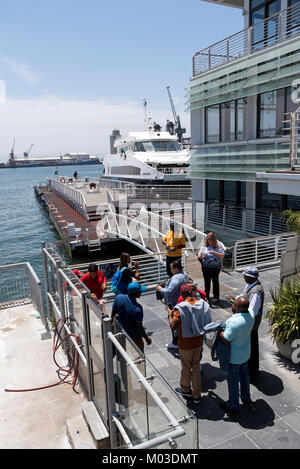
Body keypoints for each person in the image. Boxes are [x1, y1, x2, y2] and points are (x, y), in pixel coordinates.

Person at [168, 284, 211, 405]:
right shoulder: (202, 304)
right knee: (196, 368)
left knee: (186, 368)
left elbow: (173, 325)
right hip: (198, 342)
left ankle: (186, 390)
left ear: (182, 295)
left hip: (186, 343)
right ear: (192, 293)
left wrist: (170, 314)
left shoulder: (179, 308)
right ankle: (197, 396)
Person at [226, 266, 264, 383]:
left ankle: (252, 375)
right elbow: (243, 298)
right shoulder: (250, 285)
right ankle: (248, 371)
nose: (243, 277)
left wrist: (234, 307)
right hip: (248, 324)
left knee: (252, 350)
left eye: (245, 276)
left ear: (250, 277)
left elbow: (251, 311)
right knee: (249, 348)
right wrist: (235, 300)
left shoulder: (256, 292)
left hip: (250, 326)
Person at [219, 296, 255, 414]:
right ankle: (246, 397)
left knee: (233, 381)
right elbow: (243, 312)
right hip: (245, 354)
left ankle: (233, 404)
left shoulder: (234, 321)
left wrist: (219, 332)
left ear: (237, 307)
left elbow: (227, 338)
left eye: (235, 305)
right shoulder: (251, 315)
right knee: (244, 377)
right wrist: (235, 304)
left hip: (234, 357)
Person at [156, 259, 189, 349]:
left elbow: (169, 291)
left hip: (173, 303)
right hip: (181, 301)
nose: (170, 270)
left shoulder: (176, 278)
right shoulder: (184, 274)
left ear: (176, 269)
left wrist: (160, 289)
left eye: (171, 268)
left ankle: (175, 342)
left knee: (173, 321)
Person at [111, 282, 151, 352]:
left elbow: (113, 313)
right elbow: (140, 328)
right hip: (134, 336)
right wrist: (146, 338)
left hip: (121, 333)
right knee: (139, 354)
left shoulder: (119, 297)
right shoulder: (138, 308)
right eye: (140, 291)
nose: (141, 292)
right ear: (135, 293)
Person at [198, 232, 225, 305]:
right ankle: (206, 296)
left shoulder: (219, 245)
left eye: (209, 239)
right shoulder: (204, 245)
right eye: (207, 239)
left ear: (213, 239)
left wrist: (214, 253)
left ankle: (216, 297)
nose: (208, 241)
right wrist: (200, 256)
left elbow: (222, 255)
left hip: (215, 267)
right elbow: (199, 255)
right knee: (207, 282)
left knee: (215, 281)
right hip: (206, 266)